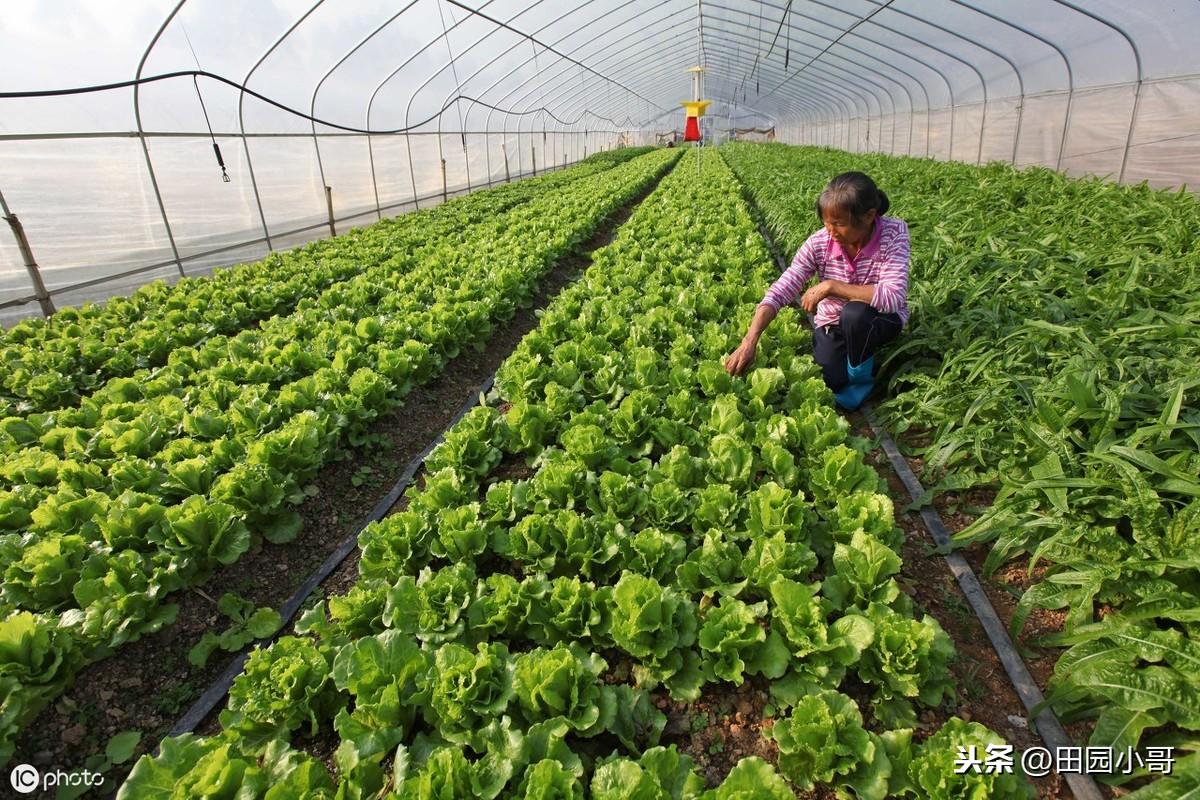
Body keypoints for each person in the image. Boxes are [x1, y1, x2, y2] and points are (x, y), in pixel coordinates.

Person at [724, 171, 909, 410]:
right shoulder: (820, 242)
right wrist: (750, 340)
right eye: (826, 223)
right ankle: (857, 363)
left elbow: (894, 297)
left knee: (855, 314)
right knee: (831, 379)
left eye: (839, 224)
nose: (831, 232)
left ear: (870, 216)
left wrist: (832, 286)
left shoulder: (893, 233)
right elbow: (783, 287)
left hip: (879, 318)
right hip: (833, 321)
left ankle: (862, 381)